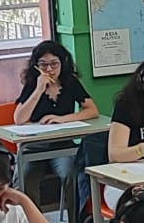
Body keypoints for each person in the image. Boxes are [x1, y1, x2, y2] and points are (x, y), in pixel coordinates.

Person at [11, 40, 98, 204]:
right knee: (25, 178)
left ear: (62, 63)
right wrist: (38, 90)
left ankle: (75, 221)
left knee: (71, 175)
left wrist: (61, 119)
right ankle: (32, 220)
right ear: (36, 66)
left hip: (62, 145)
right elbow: (19, 119)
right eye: (43, 65)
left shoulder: (70, 82)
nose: (49, 69)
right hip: (34, 146)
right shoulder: (32, 84)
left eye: (54, 64)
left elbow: (92, 110)